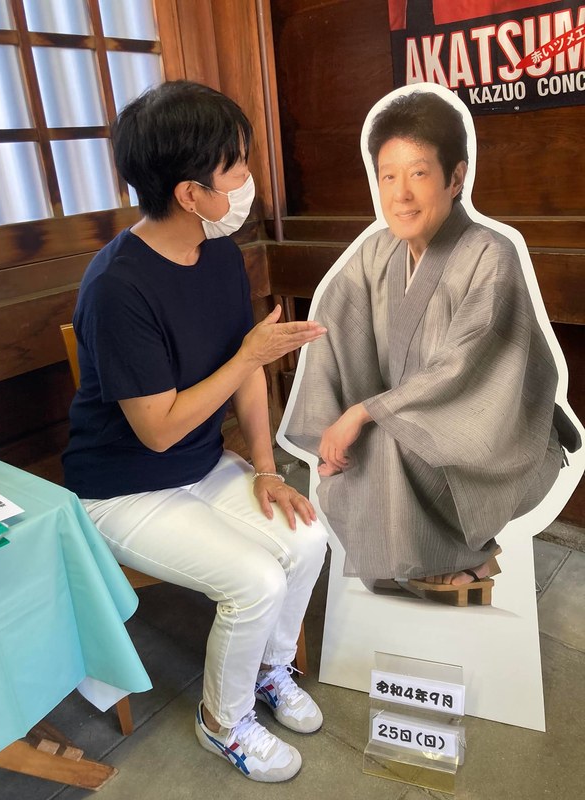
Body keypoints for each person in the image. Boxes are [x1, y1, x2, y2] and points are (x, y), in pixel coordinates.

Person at [63, 80, 329, 783]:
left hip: (203, 465)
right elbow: (157, 431)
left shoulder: (215, 251)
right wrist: (250, 355)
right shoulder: (117, 286)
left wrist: (267, 468)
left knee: (306, 541)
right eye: (235, 168)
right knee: (254, 581)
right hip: (123, 490)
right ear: (189, 192)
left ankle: (269, 674)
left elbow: (242, 368)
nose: (247, 181)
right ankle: (223, 723)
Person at [285, 89, 575, 605]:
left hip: (498, 437)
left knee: (389, 440)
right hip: (409, 423)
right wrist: (337, 422)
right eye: (387, 175)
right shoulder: (376, 253)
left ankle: (447, 557)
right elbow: (334, 334)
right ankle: (433, 557)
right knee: (375, 444)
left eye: (418, 173)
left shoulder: (492, 254)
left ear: (456, 177)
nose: (400, 194)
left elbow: (467, 367)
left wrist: (365, 413)